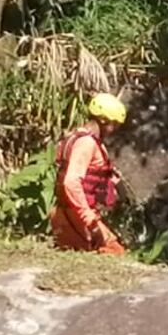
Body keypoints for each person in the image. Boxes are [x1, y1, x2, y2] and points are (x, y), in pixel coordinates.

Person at [50, 92, 128, 255]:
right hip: (75, 217)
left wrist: (117, 185)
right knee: (115, 252)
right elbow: (71, 182)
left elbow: (96, 171)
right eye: (114, 124)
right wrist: (89, 220)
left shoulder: (79, 137)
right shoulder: (86, 143)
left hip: (68, 215)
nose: (115, 130)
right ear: (104, 121)